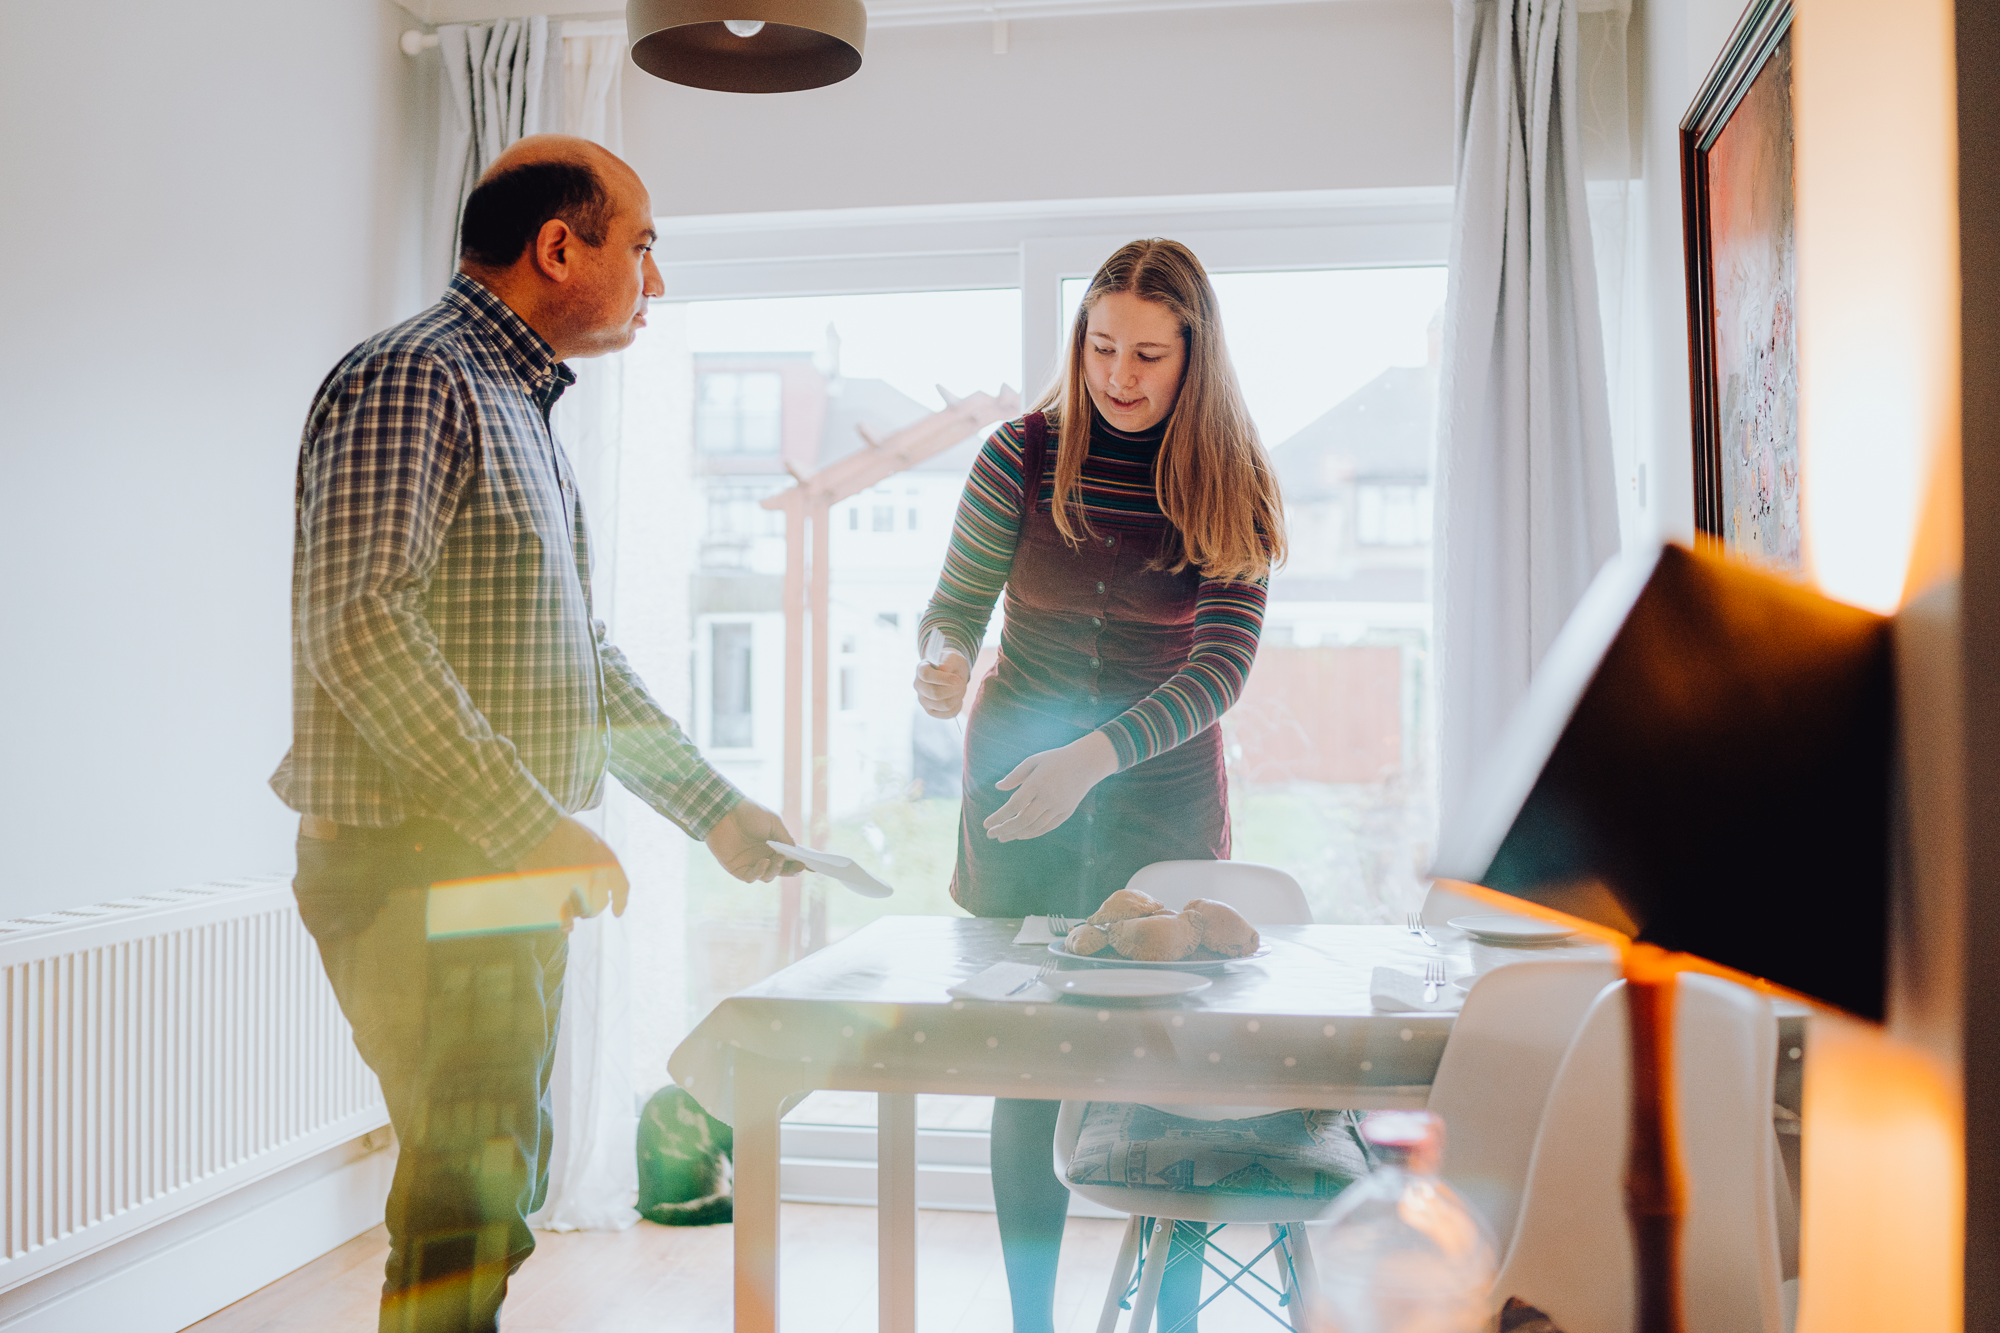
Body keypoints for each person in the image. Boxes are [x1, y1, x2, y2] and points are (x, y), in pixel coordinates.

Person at [270, 134, 801, 1333]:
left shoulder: (520, 407)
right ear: (559, 247)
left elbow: (579, 660)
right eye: (643, 246)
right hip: (422, 860)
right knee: (471, 1187)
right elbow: (358, 623)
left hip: (494, 867)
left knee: (494, 1178)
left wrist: (710, 808)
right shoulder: (418, 375)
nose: (654, 282)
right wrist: (529, 827)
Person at [914, 239, 1285, 1333]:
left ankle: (1171, 1319)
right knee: (1025, 1067)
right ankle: (1032, 1322)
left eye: (1148, 355)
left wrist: (1097, 756)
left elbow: (1219, 667)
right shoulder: (1016, 456)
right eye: (1100, 346)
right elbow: (953, 604)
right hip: (1020, 789)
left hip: (1154, 800)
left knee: (1158, 1071)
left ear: (1193, 360)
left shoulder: (1233, 482)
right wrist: (939, 659)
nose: (1118, 375)